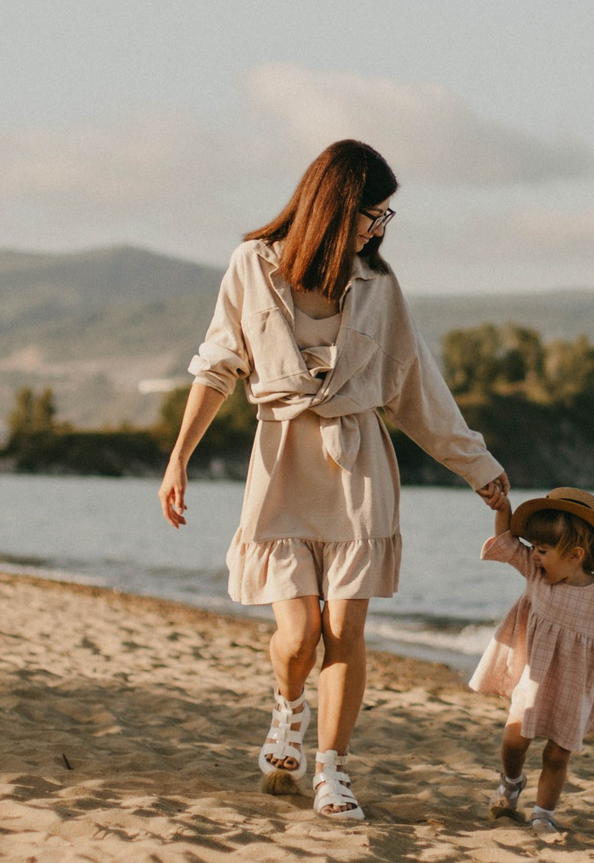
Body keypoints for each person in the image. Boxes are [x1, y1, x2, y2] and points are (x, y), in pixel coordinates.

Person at [159, 140, 508, 822]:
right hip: (282, 462)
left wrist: (479, 468)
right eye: (372, 214)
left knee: (344, 626)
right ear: (334, 207)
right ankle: (287, 711)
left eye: (385, 217)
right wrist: (179, 458)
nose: (379, 228)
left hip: (359, 466)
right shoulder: (251, 267)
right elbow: (216, 367)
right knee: (297, 636)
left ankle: (331, 773)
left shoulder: (380, 288)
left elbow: (416, 390)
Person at [470, 485, 594, 837]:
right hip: (535, 674)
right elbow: (508, 543)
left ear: (575, 555)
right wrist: (501, 511)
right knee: (513, 741)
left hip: (576, 680)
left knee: (558, 754)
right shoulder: (536, 573)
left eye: (542, 549)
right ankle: (511, 782)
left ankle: (543, 813)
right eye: (534, 549)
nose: (534, 555)